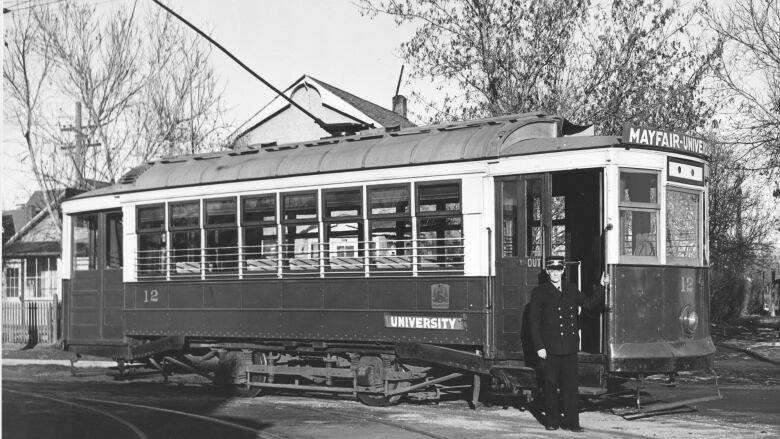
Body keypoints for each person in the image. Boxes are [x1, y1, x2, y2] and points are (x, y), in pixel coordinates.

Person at [528, 256, 608, 432]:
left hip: (570, 347)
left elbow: (588, 304)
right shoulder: (539, 292)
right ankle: (552, 421)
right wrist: (539, 346)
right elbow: (533, 322)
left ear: (563, 271)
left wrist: (602, 286)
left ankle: (573, 423)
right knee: (550, 386)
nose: (555, 273)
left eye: (558, 270)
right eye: (552, 270)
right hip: (550, 348)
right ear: (548, 272)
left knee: (571, 387)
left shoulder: (572, 289)